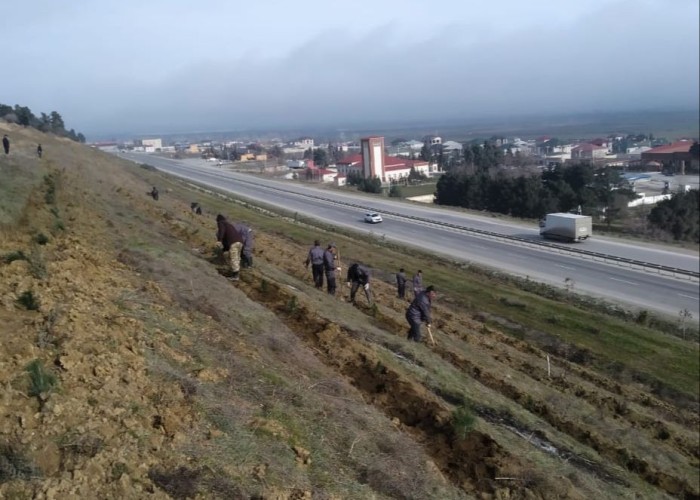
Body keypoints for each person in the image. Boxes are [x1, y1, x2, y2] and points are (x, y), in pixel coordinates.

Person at [216, 214, 245, 281]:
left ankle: (235, 276)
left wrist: (219, 240)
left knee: (233, 258)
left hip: (234, 243)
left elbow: (221, 232)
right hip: (240, 242)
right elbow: (227, 238)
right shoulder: (229, 225)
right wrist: (225, 248)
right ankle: (234, 272)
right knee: (236, 258)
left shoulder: (221, 223)